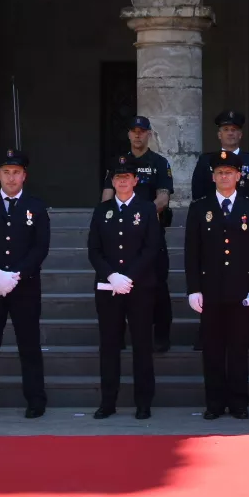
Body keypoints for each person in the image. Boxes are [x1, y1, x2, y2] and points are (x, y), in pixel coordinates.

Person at [0, 149, 51, 420]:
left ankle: (36, 400)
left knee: (29, 344)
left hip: (24, 287)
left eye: (16, 173)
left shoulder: (36, 207)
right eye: (6, 172)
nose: (11, 178)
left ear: (24, 176)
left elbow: (40, 247)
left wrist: (16, 275)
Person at [185, 150, 249, 420]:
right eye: (220, 172)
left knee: (238, 349)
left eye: (229, 172)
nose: (224, 176)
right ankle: (215, 403)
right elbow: (191, 253)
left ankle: (239, 402)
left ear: (238, 176)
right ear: (213, 176)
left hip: (241, 292)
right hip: (210, 291)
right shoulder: (200, 208)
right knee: (212, 350)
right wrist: (193, 288)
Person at [88, 154, 164, 420]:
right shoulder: (102, 211)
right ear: (113, 181)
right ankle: (108, 401)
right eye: (118, 177)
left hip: (139, 288)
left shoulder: (146, 210)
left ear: (135, 180)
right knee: (109, 346)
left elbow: (151, 248)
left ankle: (143, 402)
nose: (122, 181)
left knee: (142, 345)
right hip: (108, 289)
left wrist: (128, 277)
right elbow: (94, 250)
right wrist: (111, 276)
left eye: (127, 177)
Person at [190, 111, 249, 349]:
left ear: (241, 133)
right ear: (218, 134)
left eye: (234, 129)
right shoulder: (207, 161)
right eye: (226, 129)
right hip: (213, 225)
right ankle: (207, 335)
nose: (230, 133)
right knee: (211, 279)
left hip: (244, 226)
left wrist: (246, 215)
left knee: (246, 279)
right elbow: (198, 192)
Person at [101, 116, 174, 352]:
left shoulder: (159, 162)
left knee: (158, 286)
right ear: (128, 134)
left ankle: (161, 335)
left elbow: (163, 197)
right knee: (118, 286)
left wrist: (141, 216)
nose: (138, 135)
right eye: (133, 131)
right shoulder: (119, 163)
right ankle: (118, 336)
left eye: (142, 131)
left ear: (149, 134)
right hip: (121, 236)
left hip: (151, 233)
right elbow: (106, 197)